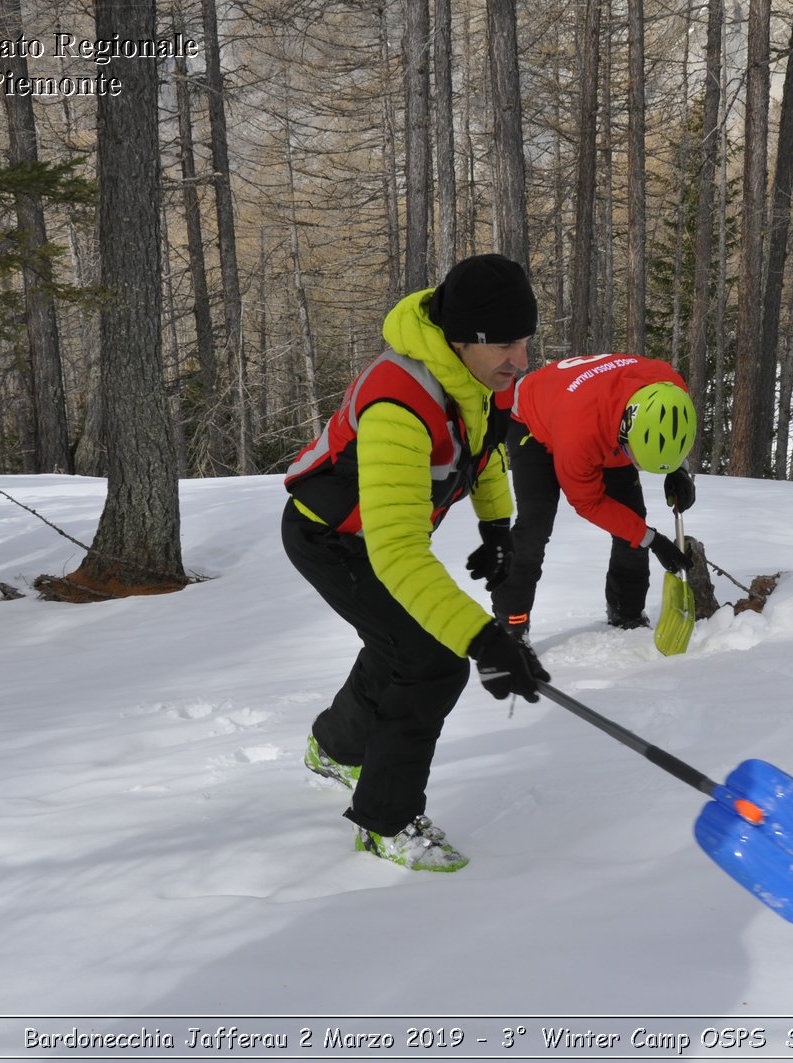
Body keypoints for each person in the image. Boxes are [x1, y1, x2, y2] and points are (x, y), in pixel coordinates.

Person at [280, 253, 549, 872]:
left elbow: (484, 452)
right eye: (506, 343)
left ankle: (333, 748)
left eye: (526, 340)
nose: (521, 359)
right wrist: (483, 639)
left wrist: (495, 524)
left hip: (375, 537)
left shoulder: (480, 379)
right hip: (330, 539)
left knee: (397, 648)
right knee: (431, 660)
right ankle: (386, 820)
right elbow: (397, 550)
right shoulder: (397, 402)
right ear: (460, 339)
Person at [490, 353, 697, 643]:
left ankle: (628, 614)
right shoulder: (579, 431)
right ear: (626, 431)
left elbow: (672, 429)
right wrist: (654, 540)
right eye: (636, 459)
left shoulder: (670, 389)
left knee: (632, 520)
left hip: (596, 412)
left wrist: (679, 469)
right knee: (535, 524)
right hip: (532, 420)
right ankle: (510, 625)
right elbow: (589, 503)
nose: (636, 466)